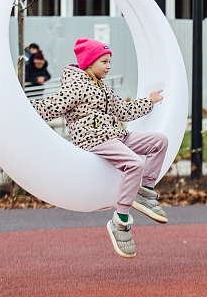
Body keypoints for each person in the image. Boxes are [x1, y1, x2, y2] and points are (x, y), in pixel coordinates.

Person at [30, 38, 169, 259]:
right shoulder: (75, 86)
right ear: (89, 62)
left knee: (159, 141)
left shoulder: (101, 87)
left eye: (109, 61)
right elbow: (50, 107)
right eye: (104, 61)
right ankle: (120, 221)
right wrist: (20, 105)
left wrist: (149, 101)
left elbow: (124, 111)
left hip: (115, 135)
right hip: (94, 139)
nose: (109, 66)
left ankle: (145, 192)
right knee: (134, 163)